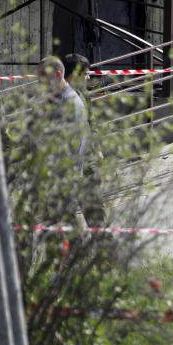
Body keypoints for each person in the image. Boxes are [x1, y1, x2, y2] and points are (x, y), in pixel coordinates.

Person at [62, 53, 106, 226]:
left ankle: (101, 245)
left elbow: (91, 122)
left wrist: (97, 148)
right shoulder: (60, 98)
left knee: (95, 209)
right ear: (74, 74)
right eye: (85, 73)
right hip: (68, 163)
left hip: (86, 159)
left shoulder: (83, 94)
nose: (88, 77)